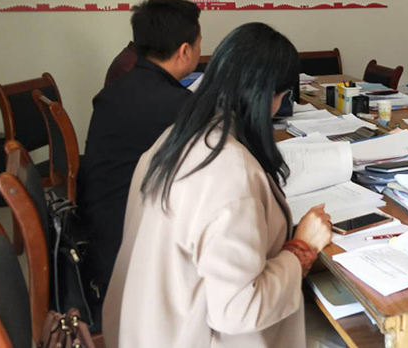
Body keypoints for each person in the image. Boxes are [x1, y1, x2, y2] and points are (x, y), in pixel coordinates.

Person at [103, 23, 332, 348]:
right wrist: (302, 250)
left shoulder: (176, 137)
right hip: (193, 335)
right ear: (267, 96)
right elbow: (239, 310)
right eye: (282, 97)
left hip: (146, 329)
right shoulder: (229, 171)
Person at [78, 0, 202, 307]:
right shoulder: (179, 106)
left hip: (100, 233)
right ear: (185, 51)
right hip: (130, 258)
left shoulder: (113, 93)